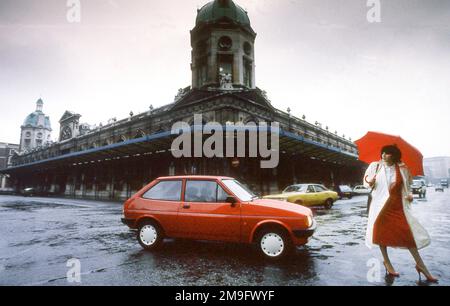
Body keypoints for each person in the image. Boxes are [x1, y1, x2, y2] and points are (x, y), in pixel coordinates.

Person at [363, 145, 438, 282]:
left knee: (407, 234)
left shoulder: (403, 168)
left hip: (397, 206)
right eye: (383, 153)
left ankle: (421, 265)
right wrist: (370, 182)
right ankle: (387, 262)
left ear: (394, 155)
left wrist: (410, 195)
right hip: (381, 207)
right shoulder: (376, 166)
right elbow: (366, 181)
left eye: (388, 154)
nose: (384, 156)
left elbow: (408, 186)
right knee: (380, 234)